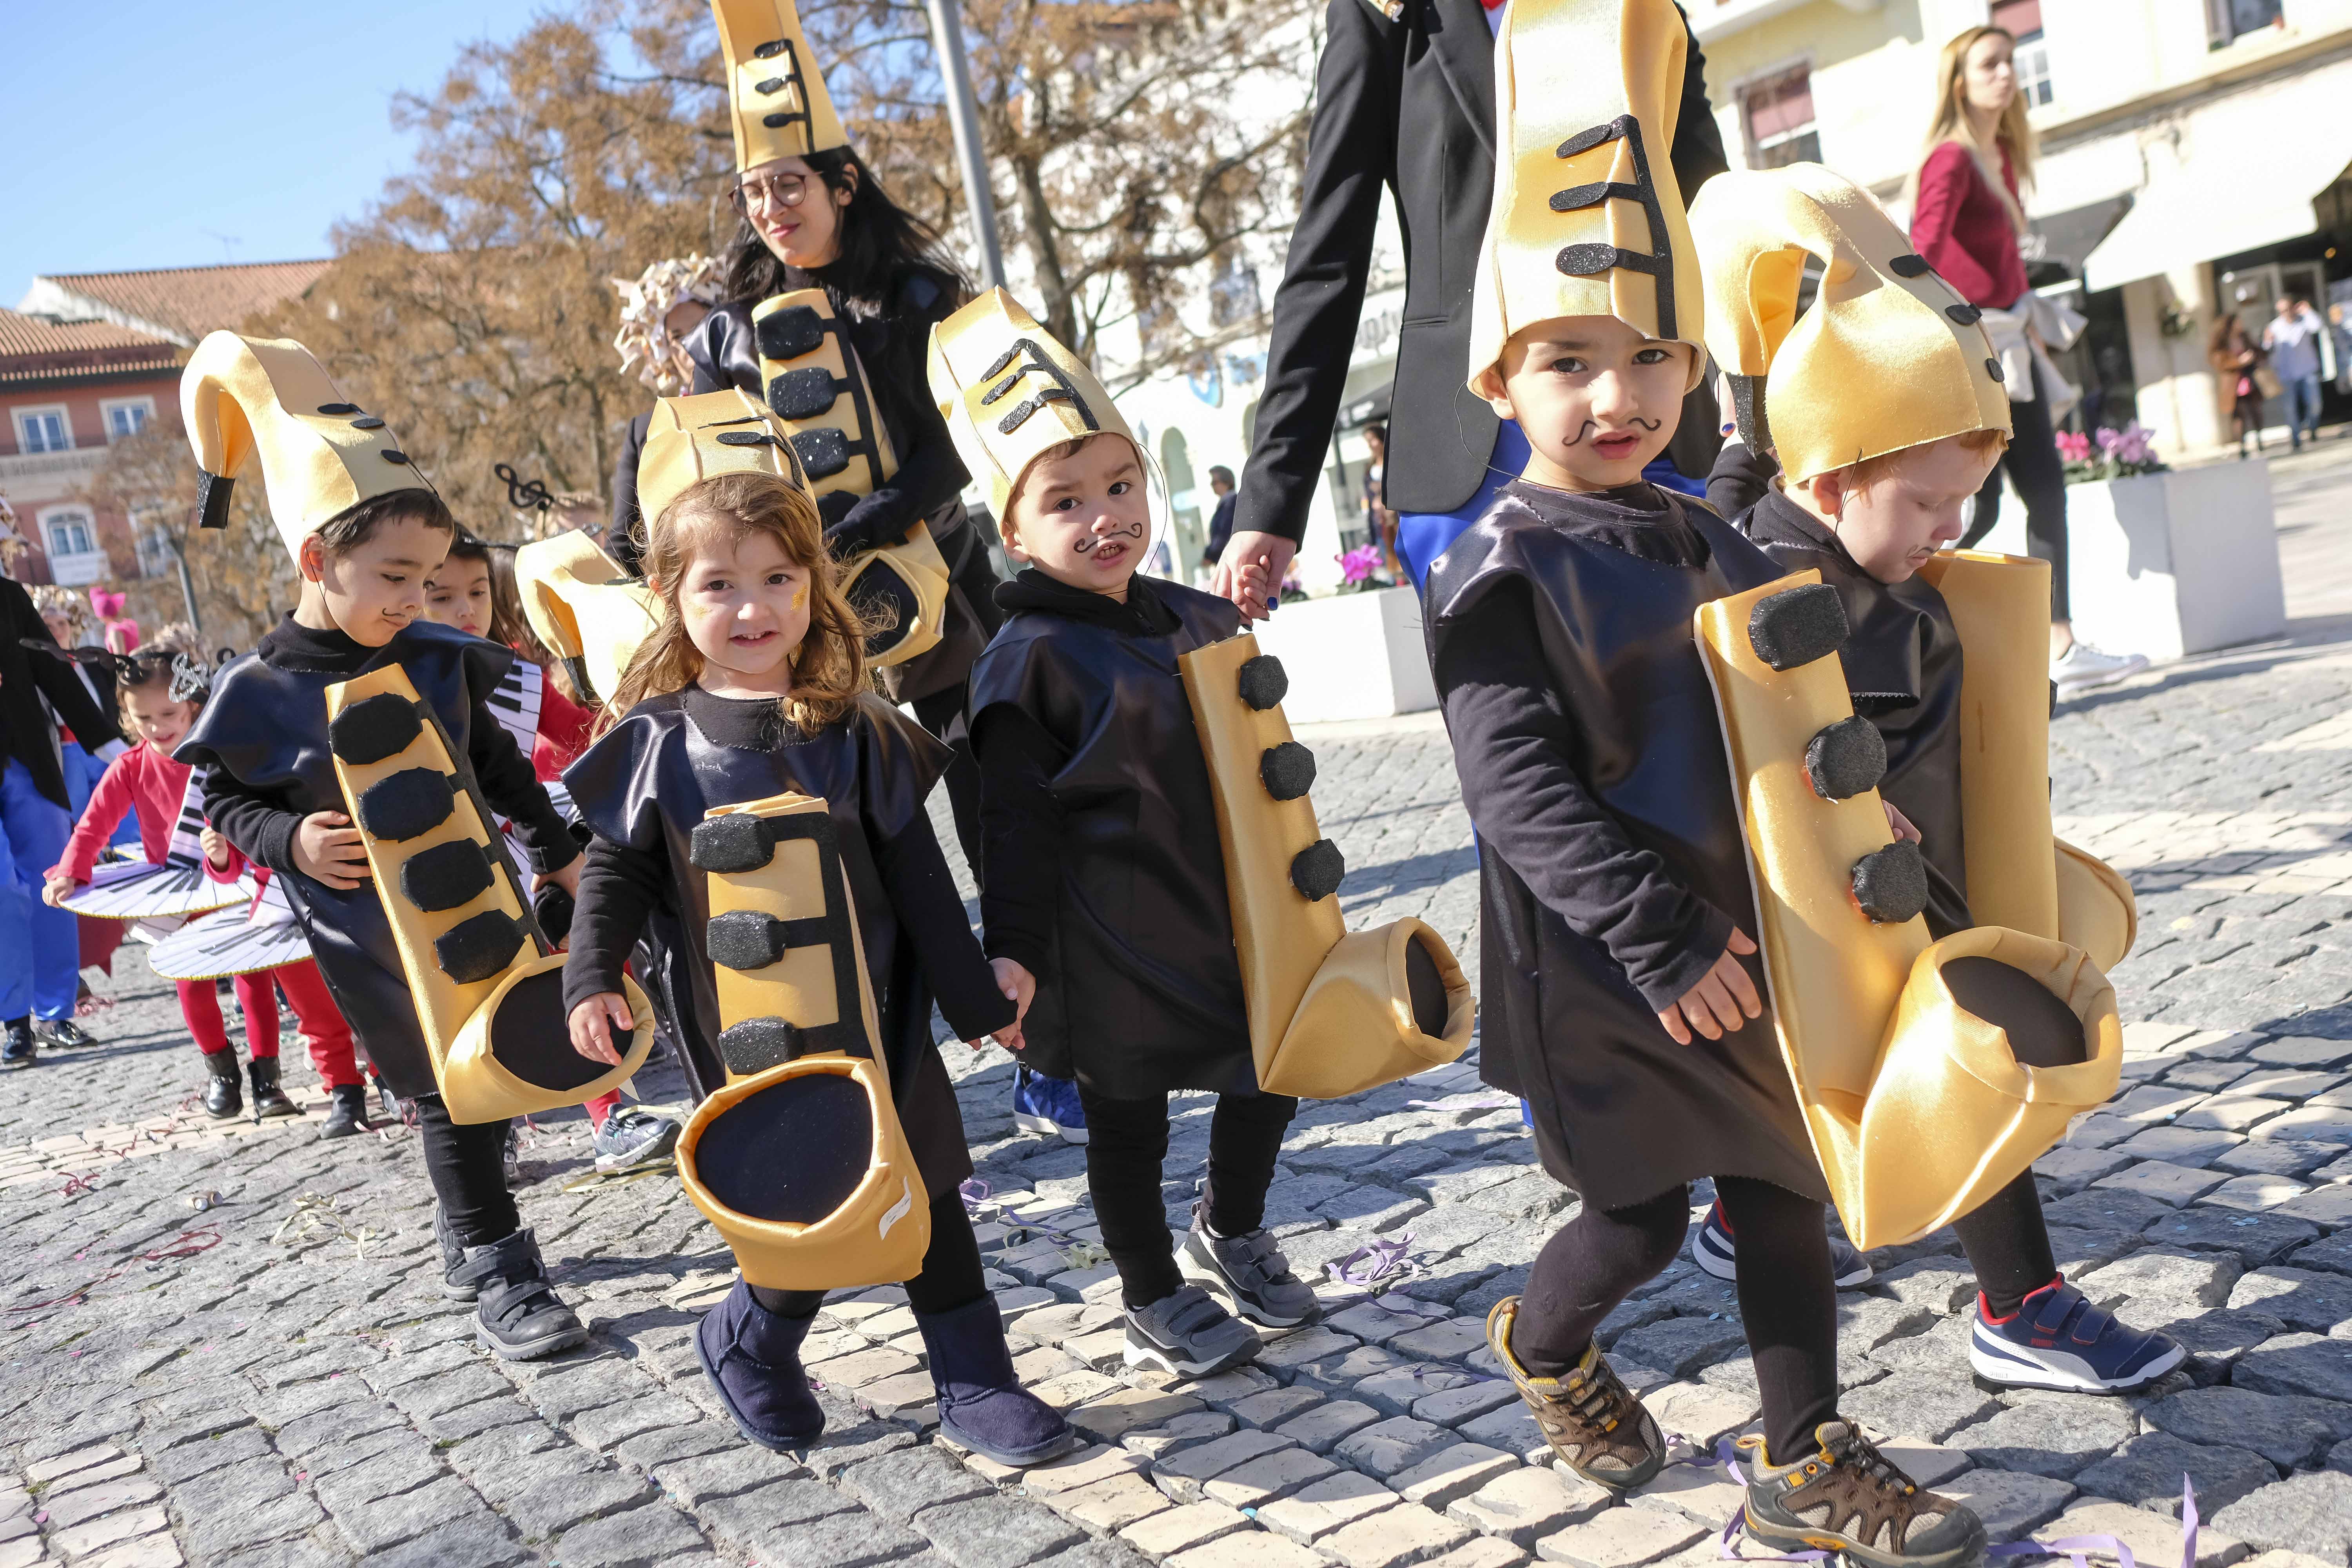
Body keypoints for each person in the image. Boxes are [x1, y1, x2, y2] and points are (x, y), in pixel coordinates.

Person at [1430, 8, 1984, 1562]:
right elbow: (1516, 795)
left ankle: (1801, 1454)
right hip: (1610, 968)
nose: (1618, 393)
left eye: (1649, 358)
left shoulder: (1691, 528)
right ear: (1500, 378)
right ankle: (1544, 1344)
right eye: (1570, 362)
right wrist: (1658, 939)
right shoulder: (1501, 571)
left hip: (1740, 934)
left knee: (1781, 1180)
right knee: (1641, 1216)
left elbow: (1796, 643)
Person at [1691, 161, 2187, 1396]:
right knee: (1976, 1056)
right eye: (1925, 502)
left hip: (1931, 871)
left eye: (1961, 501)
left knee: (1851, 1080)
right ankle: (2018, 1303)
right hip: (1876, 898)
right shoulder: (1770, 579)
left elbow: (1755, 453)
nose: (1947, 530)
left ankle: (1748, 1216)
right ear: (1829, 478)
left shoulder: (1843, 538)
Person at [561, 446, 1073, 1466]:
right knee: (795, 1203)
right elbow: (613, 879)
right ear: (670, 595)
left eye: (778, 580)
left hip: (881, 1023)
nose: (753, 608)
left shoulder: (860, 735)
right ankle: (749, 1343)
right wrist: (589, 978)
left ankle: (977, 1382)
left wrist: (980, 1004)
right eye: (721, 585)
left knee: (928, 1193)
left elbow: (923, 881)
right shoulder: (656, 745)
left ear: (813, 588)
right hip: (746, 1033)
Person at [175, 330, 590, 1362]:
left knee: (488, 1059)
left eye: (427, 581)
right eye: (394, 579)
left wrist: (561, 848)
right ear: (319, 560)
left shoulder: (435, 658)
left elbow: (495, 762)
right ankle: (495, 1256)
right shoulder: (263, 686)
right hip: (365, 921)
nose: (413, 601)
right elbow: (224, 798)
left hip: (472, 890)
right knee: (440, 1078)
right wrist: (287, 835)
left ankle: (472, 1228)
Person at [944, 288, 1319, 1378]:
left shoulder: (1202, 618)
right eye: (1065, 502)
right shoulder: (1026, 661)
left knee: (1272, 1066)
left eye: (1120, 486)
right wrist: (1010, 951)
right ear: (1013, 531)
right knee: (1128, 1118)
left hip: (1231, 909)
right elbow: (1007, 824)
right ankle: (1150, 1285)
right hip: (1106, 935)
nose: (1104, 516)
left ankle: (1232, 1225)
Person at [1223, 0, 1729, 608]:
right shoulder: (1379, 14)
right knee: (1509, 694)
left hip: (1657, 423)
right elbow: (1327, 257)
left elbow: (1711, 214)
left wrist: (1763, 402)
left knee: (1703, 690)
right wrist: (1273, 497)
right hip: (1471, 448)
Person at [420, 533, 674, 1175]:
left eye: (476, 592)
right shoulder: (394, 678)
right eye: (442, 594)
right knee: (471, 986)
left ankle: (608, 1111)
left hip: (537, 843)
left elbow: (580, 732)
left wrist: (644, 710)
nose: (465, 609)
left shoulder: (509, 671)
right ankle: (489, 1123)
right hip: (443, 860)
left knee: (569, 960)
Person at [1911, 24, 2145, 703]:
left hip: (2012, 342)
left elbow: (2003, 260)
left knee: (2038, 491)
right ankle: (1908, 616)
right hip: (1979, 349)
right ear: (1960, 79)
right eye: (1990, 65)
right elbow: (1920, 250)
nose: (2007, 75)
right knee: (1977, 505)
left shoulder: (2000, 156)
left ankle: (2057, 642)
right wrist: (1961, 332)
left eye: (2011, 62)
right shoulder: (1951, 160)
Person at [44, 645, 368, 1131]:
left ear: (193, 704)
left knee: (256, 981)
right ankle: (223, 1072)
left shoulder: (218, 759)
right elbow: (93, 827)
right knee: (190, 986)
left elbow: (249, 830)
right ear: (126, 716)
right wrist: (72, 868)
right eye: (143, 717)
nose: (157, 726)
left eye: (168, 714)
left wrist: (221, 855)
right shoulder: (129, 768)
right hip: (174, 895)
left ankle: (267, 1078)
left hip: (237, 886)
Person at [1, 578, 127, 1067]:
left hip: (30, 761)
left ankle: (54, 1013)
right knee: (3, 892)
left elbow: (52, 671)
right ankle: (15, 1020)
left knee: (53, 883)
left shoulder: (8, 596)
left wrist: (109, 744)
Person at [2263, 295, 2325, 452]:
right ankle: (2296, 437)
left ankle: (2312, 427)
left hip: (2307, 370)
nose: (2285, 313)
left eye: (2287, 309)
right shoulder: (2274, 327)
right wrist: (2267, 341)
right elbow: (2266, 348)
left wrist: (2308, 311)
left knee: (2315, 403)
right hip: (2286, 374)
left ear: (2293, 308)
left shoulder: (2304, 321)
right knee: (2290, 408)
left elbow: (2318, 326)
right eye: (2281, 311)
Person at [2209, 315, 2269, 458]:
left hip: (2249, 380)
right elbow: (2219, 362)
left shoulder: (2245, 338)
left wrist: (2259, 351)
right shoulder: (2222, 343)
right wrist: (2239, 362)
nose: (2240, 325)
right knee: (2239, 415)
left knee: (2256, 411)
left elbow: (2259, 352)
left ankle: (2259, 439)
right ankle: (2242, 445)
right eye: (2237, 323)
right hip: (2233, 384)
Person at [1360, 423, 1401, 579]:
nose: (1371, 445)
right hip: (1381, 522)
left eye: (1373, 440)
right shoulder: (1369, 466)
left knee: (1402, 559)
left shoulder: (1393, 461)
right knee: (1388, 561)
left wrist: (1382, 490)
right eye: (1368, 441)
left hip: (1396, 518)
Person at [1199, 465, 1238, 572]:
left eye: (1215, 482)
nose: (1212, 486)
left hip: (1230, 560)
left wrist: (1210, 555)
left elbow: (1223, 532)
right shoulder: (1226, 503)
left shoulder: (1231, 503)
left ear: (1227, 482)